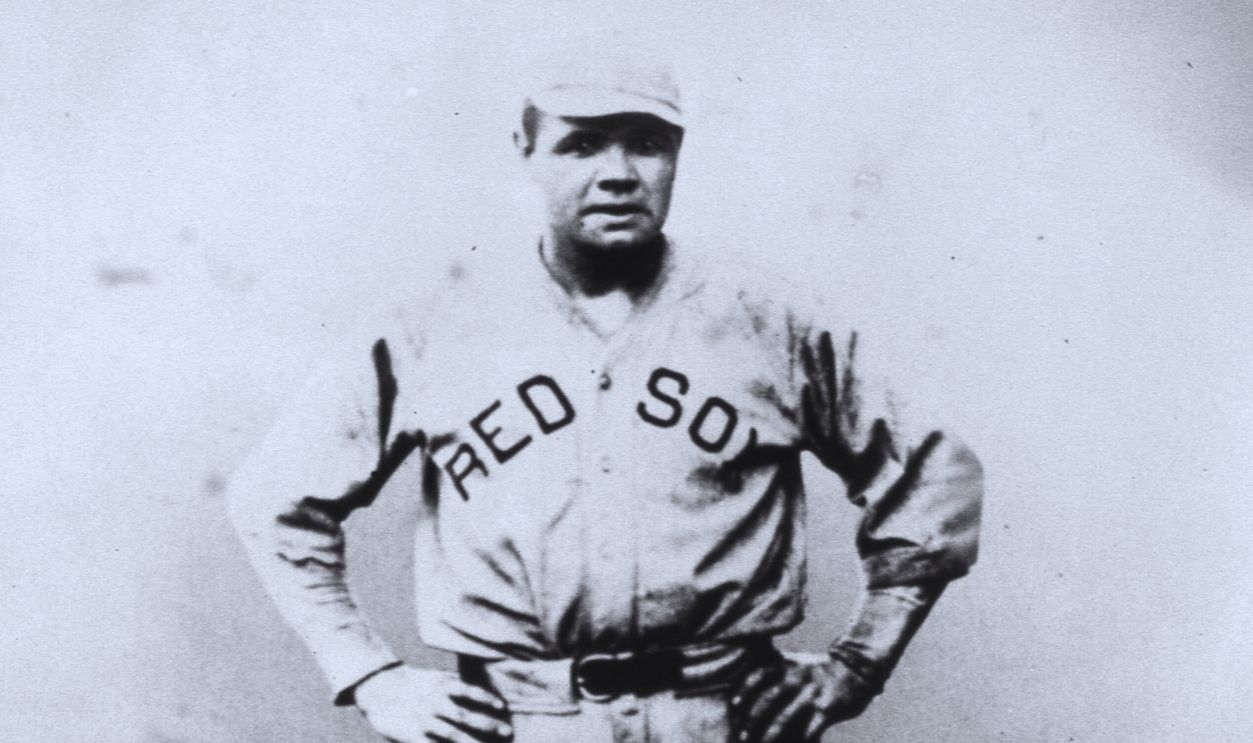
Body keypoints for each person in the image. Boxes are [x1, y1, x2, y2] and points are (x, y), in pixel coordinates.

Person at [227, 50, 982, 743]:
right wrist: (368, 673)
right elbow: (275, 497)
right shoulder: (436, 321)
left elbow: (934, 478)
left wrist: (857, 661)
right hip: (518, 720)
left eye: (644, 143)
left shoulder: (769, 318)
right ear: (524, 150)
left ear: (677, 154)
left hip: (723, 715)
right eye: (581, 144)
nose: (618, 172)